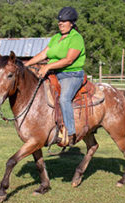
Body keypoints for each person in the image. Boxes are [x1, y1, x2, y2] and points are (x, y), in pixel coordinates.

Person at [24, 6, 86, 146]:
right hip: (55, 74)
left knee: (64, 99)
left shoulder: (76, 38)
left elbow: (69, 60)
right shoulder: (56, 38)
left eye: (64, 22)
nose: (61, 24)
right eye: (59, 22)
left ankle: (70, 133)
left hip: (72, 75)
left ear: (72, 23)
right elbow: (43, 54)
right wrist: (26, 65)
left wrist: (47, 66)